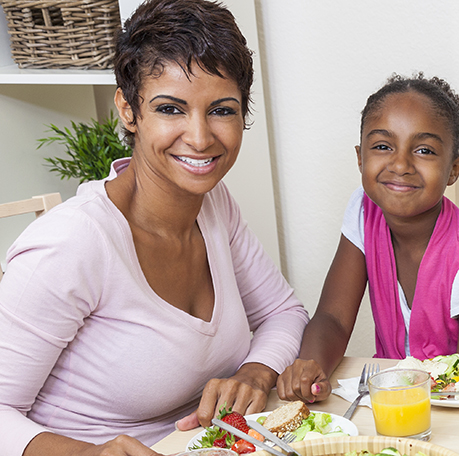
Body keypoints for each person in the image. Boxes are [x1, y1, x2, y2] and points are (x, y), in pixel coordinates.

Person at [0, 0, 310, 455]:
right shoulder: (72, 243)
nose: (200, 138)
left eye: (221, 110)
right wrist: (91, 453)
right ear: (129, 110)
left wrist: (255, 371)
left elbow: (283, 312)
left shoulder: (213, 205)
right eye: (171, 109)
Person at [276, 74, 459, 403]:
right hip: (403, 403)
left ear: (453, 169)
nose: (400, 164)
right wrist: (310, 366)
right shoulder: (364, 213)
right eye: (383, 147)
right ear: (360, 157)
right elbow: (334, 318)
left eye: (424, 150)